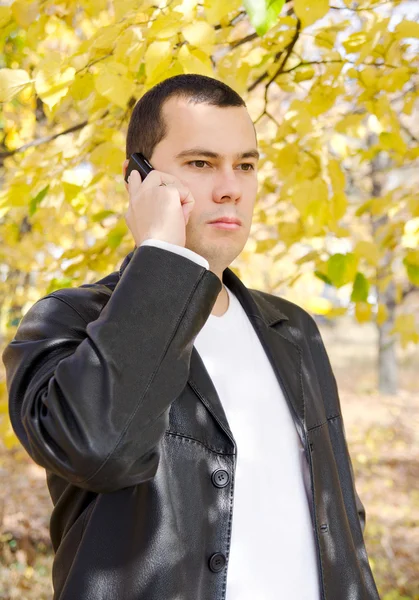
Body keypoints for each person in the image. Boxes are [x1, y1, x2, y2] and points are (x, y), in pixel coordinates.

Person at [2, 74, 380, 600]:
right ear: (139, 179)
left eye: (245, 165)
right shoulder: (67, 321)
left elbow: (341, 518)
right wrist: (160, 255)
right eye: (201, 164)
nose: (231, 186)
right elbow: (100, 449)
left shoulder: (294, 331)